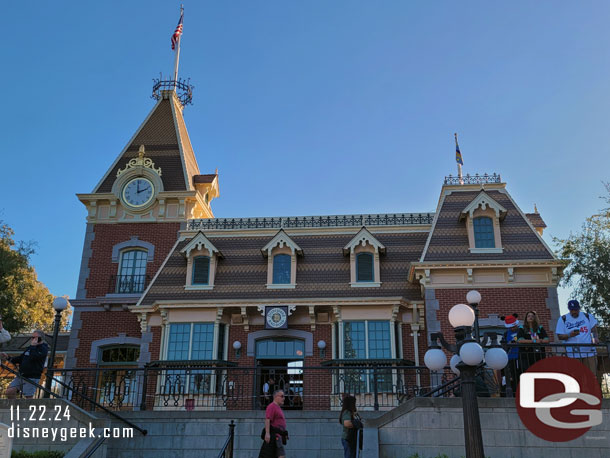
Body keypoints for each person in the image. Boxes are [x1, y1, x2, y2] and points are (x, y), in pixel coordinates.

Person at [555, 300, 599, 375]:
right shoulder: (563, 319)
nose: (574, 312)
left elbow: (594, 330)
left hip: (589, 353)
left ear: (579, 308)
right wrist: (569, 335)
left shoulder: (587, 316)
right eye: (572, 310)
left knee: (591, 376)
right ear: (569, 309)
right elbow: (559, 336)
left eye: (576, 309)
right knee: (576, 377)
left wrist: (595, 338)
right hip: (573, 354)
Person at [1, 330, 48, 399]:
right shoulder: (30, 348)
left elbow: (33, 357)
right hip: (21, 375)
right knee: (9, 391)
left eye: (35, 337)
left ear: (40, 338)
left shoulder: (43, 348)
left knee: (28, 397)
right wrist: (8, 357)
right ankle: (15, 407)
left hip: (32, 377)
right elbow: (20, 358)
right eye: (32, 337)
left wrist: (33, 346)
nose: (33, 339)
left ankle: (30, 409)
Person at [259, 389, 288, 458]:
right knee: (281, 455)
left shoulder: (278, 408)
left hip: (279, 435)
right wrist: (267, 433)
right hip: (275, 436)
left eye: (284, 396)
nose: (284, 398)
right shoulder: (272, 406)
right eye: (282, 396)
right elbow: (268, 419)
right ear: (276, 397)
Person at [501, 314, 521, 395]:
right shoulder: (506, 334)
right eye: (510, 327)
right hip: (511, 358)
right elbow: (503, 344)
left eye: (513, 326)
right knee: (513, 376)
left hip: (521, 356)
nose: (512, 328)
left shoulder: (521, 331)